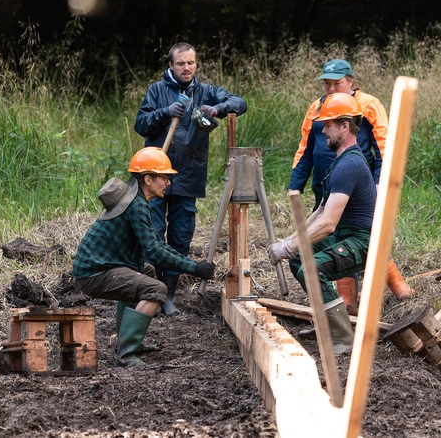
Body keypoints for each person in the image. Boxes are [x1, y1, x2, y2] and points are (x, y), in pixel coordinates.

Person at [287, 58, 413, 313]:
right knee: (332, 235)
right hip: (327, 186)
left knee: (358, 235)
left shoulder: (366, 105)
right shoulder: (317, 109)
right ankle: (345, 302)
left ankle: (397, 285)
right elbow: (306, 149)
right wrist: (295, 184)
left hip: (357, 187)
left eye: (337, 83)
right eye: (327, 84)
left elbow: (384, 147)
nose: (332, 88)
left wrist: (379, 183)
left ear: (351, 81)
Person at [72, 147, 216, 367]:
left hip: (100, 268)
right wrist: (194, 268)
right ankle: (126, 354)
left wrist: (192, 265)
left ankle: (126, 342)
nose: (168, 183)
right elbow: (155, 251)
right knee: (157, 289)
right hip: (94, 274)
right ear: (148, 179)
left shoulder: (136, 199)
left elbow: (156, 245)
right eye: (165, 178)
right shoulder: (136, 205)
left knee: (145, 271)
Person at [134, 42, 247, 317]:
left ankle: (169, 295)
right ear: (170, 65)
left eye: (191, 63)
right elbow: (141, 124)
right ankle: (153, 292)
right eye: (181, 63)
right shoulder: (157, 91)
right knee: (153, 232)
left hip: (188, 176)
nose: (187, 68)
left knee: (181, 235)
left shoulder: (205, 91)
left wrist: (217, 109)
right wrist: (165, 113)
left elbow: (240, 103)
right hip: (157, 176)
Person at [268, 93, 375, 354]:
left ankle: (343, 339)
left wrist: (290, 246)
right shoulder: (340, 162)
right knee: (298, 259)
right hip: (345, 235)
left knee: (312, 269)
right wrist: (290, 244)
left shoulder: (350, 164)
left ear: (344, 126)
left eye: (327, 125)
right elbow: (319, 212)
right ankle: (327, 323)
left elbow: (327, 224)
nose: (323, 131)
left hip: (362, 241)